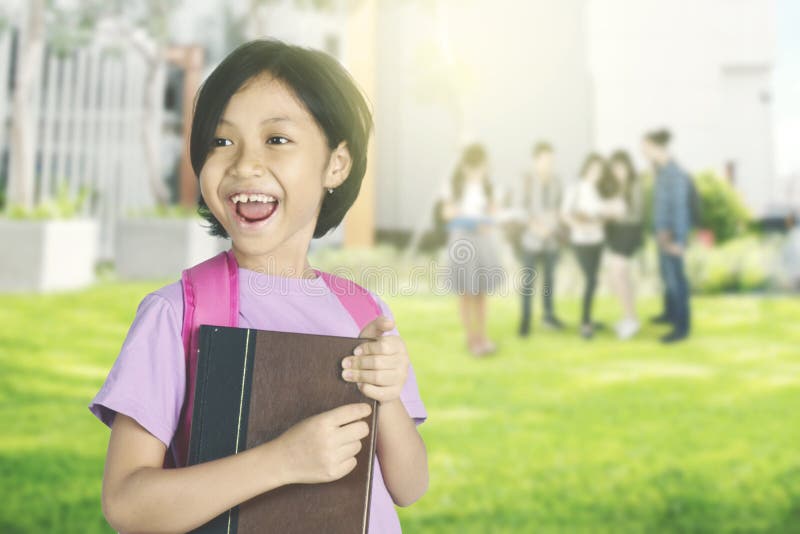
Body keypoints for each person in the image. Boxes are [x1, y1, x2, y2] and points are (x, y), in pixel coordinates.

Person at [89, 40, 428, 533]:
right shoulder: (176, 314)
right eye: (222, 142)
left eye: (277, 140)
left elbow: (409, 486)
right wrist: (284, 461)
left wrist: (389, 395)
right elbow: (126, 504)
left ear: (337, 164)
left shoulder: (362, 311)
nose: (244, 164)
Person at [441, 143, 504, 356]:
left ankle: (483, 337)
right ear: (465, 166)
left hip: (483, 240)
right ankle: (472, 338)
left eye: (481, 167)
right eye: (473, 167)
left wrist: (487, 220)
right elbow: (447, 213)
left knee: (481, 292)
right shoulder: (454, 185)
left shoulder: (490, 186)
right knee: (466, 292)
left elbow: (494, 213)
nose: (477, 172)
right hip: (462, 240)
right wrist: (465, 216)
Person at [561, 154, 625, 339]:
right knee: (591, 280)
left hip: (597, 239)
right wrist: (579, 225)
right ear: (586, 167)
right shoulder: (575, 188)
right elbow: (564, 214)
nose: (595, 173)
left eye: (599, 170)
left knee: (593, 280)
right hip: (580, 241)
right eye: (593, 168)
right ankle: (585, 323)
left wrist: (605, 216)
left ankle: (588, 319)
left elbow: (604, 213)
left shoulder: (599, 190)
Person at [642, 128, 692, 343]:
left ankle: (681, 328)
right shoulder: (661, 171)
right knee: (666, 277)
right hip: (662, 234)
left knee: (676, 281)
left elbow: (680, 208)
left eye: (645, 148)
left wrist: (679, 240)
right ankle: (669, 314)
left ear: (656, 147)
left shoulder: (674, 173)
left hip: (671, 235)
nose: (643, 152)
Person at [517, 141, 566, 337]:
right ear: (536, 160)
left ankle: (548, 315)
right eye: (545, 160)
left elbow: (560, 207)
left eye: (551, 160)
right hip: (532, 239)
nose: (549, 164)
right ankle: (525, 321)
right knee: (528, 282)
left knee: (548, 280)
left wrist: (552, 224)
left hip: (551, 239)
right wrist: (537, 227)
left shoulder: (557, 181)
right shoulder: (527, 180)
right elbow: (521, 209)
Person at [603, 150, 644, 339]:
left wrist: (618, 214)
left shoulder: (635, 185)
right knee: (617, 275)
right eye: (615, 168)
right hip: (617, 234)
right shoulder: (614, 186)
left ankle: (631, 319)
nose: (618, 171)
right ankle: (628, 317)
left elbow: (637, 213)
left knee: (619, 270)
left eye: (621, 167)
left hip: (630, 233)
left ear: (628, 167)